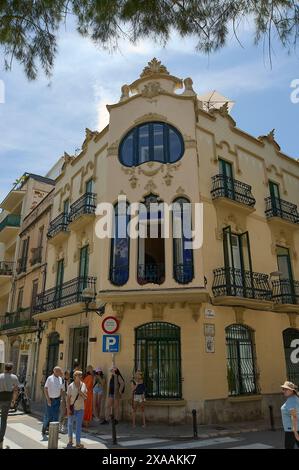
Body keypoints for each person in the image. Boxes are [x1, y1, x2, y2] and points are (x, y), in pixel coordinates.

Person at [0, 363, 19, 449]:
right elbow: (15, 391)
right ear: (11, 369)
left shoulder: (0, 376)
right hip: (7, 398)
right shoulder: (14, 377)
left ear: (5, 368)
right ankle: (1, 438)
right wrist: (13, 401)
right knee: (4, 419)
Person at [67, 370, 87, 448]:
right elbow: (68, 399)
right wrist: (68, 409)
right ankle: (70, 439)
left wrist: (81, 392)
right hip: (72, 408)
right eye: (79, 375)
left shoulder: (83, 385)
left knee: (78, 426)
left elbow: (86, 397)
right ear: (75, 376)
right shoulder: (70, 386)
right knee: (70, 424)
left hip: (81, 408)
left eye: (81, 375)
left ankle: (78, 442)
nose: (81, 377)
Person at [42, 366, 63, 439]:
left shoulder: (60, 378)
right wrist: (48, 399)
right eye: (59, 371)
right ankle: (44, 429)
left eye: (60, 371)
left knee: (56, 416)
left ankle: (53, 432)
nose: (60, 372)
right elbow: (45, 388)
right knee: (48, 416)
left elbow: (61, 388)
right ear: (55, 371)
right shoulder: (49, 378)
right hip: (50, 399)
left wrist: (60, 397)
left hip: (57, 400)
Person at [281, 380, 299, 449]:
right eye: (283, 389)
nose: (284, 391)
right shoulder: (295, 398)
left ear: (292, 390)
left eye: (286, 389)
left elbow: (293, 416)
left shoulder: (291, 400)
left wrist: (295, 433)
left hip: (291, 430)